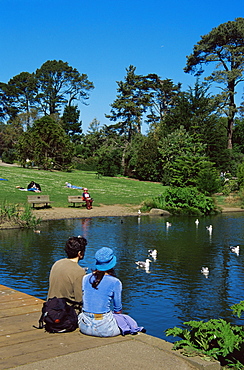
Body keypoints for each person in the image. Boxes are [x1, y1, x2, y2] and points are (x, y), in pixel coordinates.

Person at [78, 247, 122, 337]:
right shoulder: (115, 282)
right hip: (104, 328)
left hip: (84, 325)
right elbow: (118, 310)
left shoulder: (86, 278)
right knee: (128, 322)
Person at [47, 236, 87, 308]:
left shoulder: (57, 263)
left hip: (50, 308)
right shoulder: (79, 272)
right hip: (67, 313)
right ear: (79, 253)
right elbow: (80, 300)